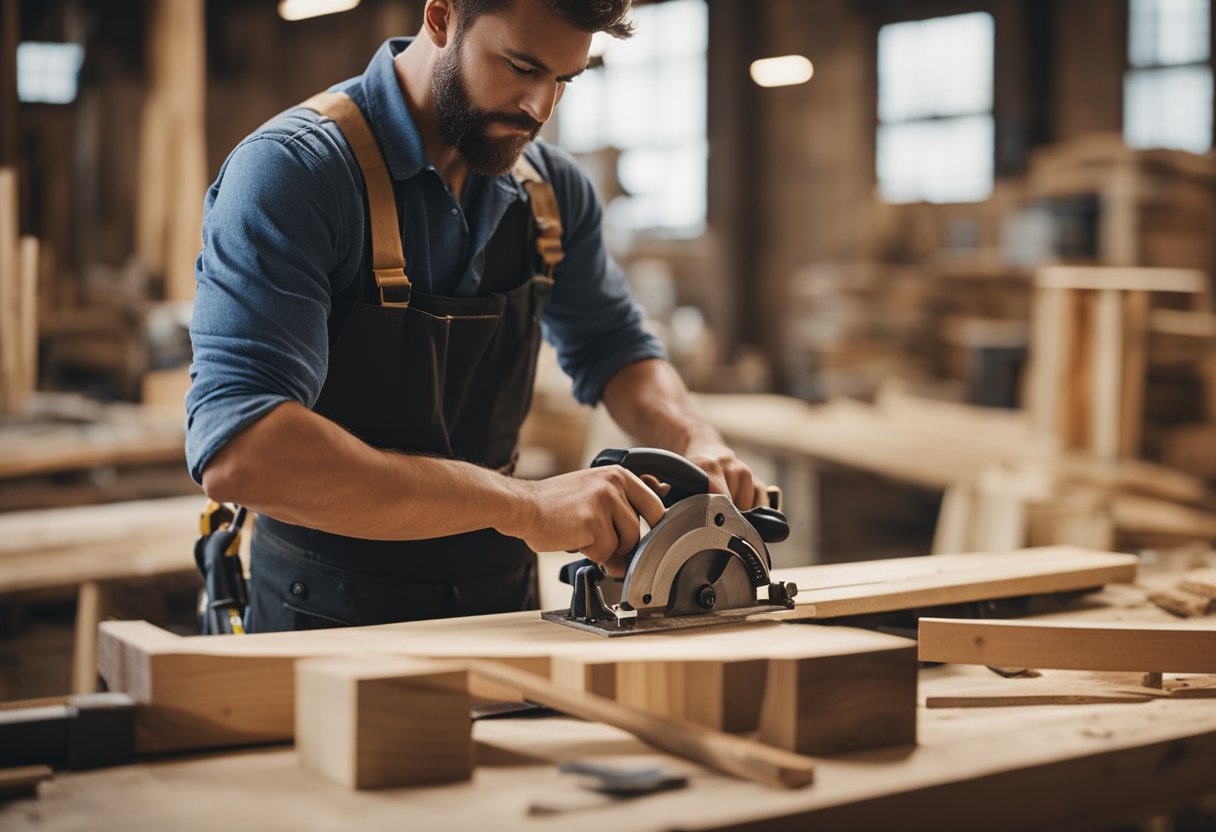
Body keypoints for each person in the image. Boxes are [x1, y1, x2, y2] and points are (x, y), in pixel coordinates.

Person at [187, 0, 763, 632]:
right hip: (325, 613)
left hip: (501, 607)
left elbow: (615, 346)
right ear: (441, 17)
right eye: (521, 66)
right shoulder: (296, 174)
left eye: (564, 81)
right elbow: (242, 452)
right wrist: (527, 505)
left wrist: (692, 440)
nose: (539, 109)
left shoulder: (553, 194)